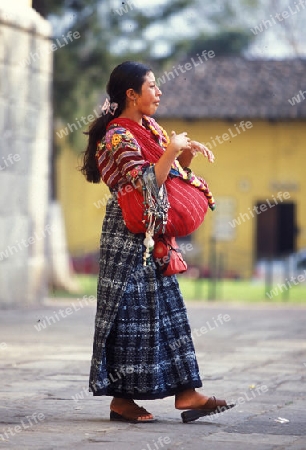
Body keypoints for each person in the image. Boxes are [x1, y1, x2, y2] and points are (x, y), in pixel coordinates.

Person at [81, 61, 234, 423]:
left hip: (153, 234)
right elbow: (145, 183)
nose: (159, 92)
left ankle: (187, 393)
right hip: (128, 234)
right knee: (129, 315)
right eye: (152, 86)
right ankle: (122, 400)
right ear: (132, 94)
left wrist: (184, 154)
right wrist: (170, 151)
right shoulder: (118, 136)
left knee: (167, 312)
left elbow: (169, 177)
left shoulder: (147, 127)